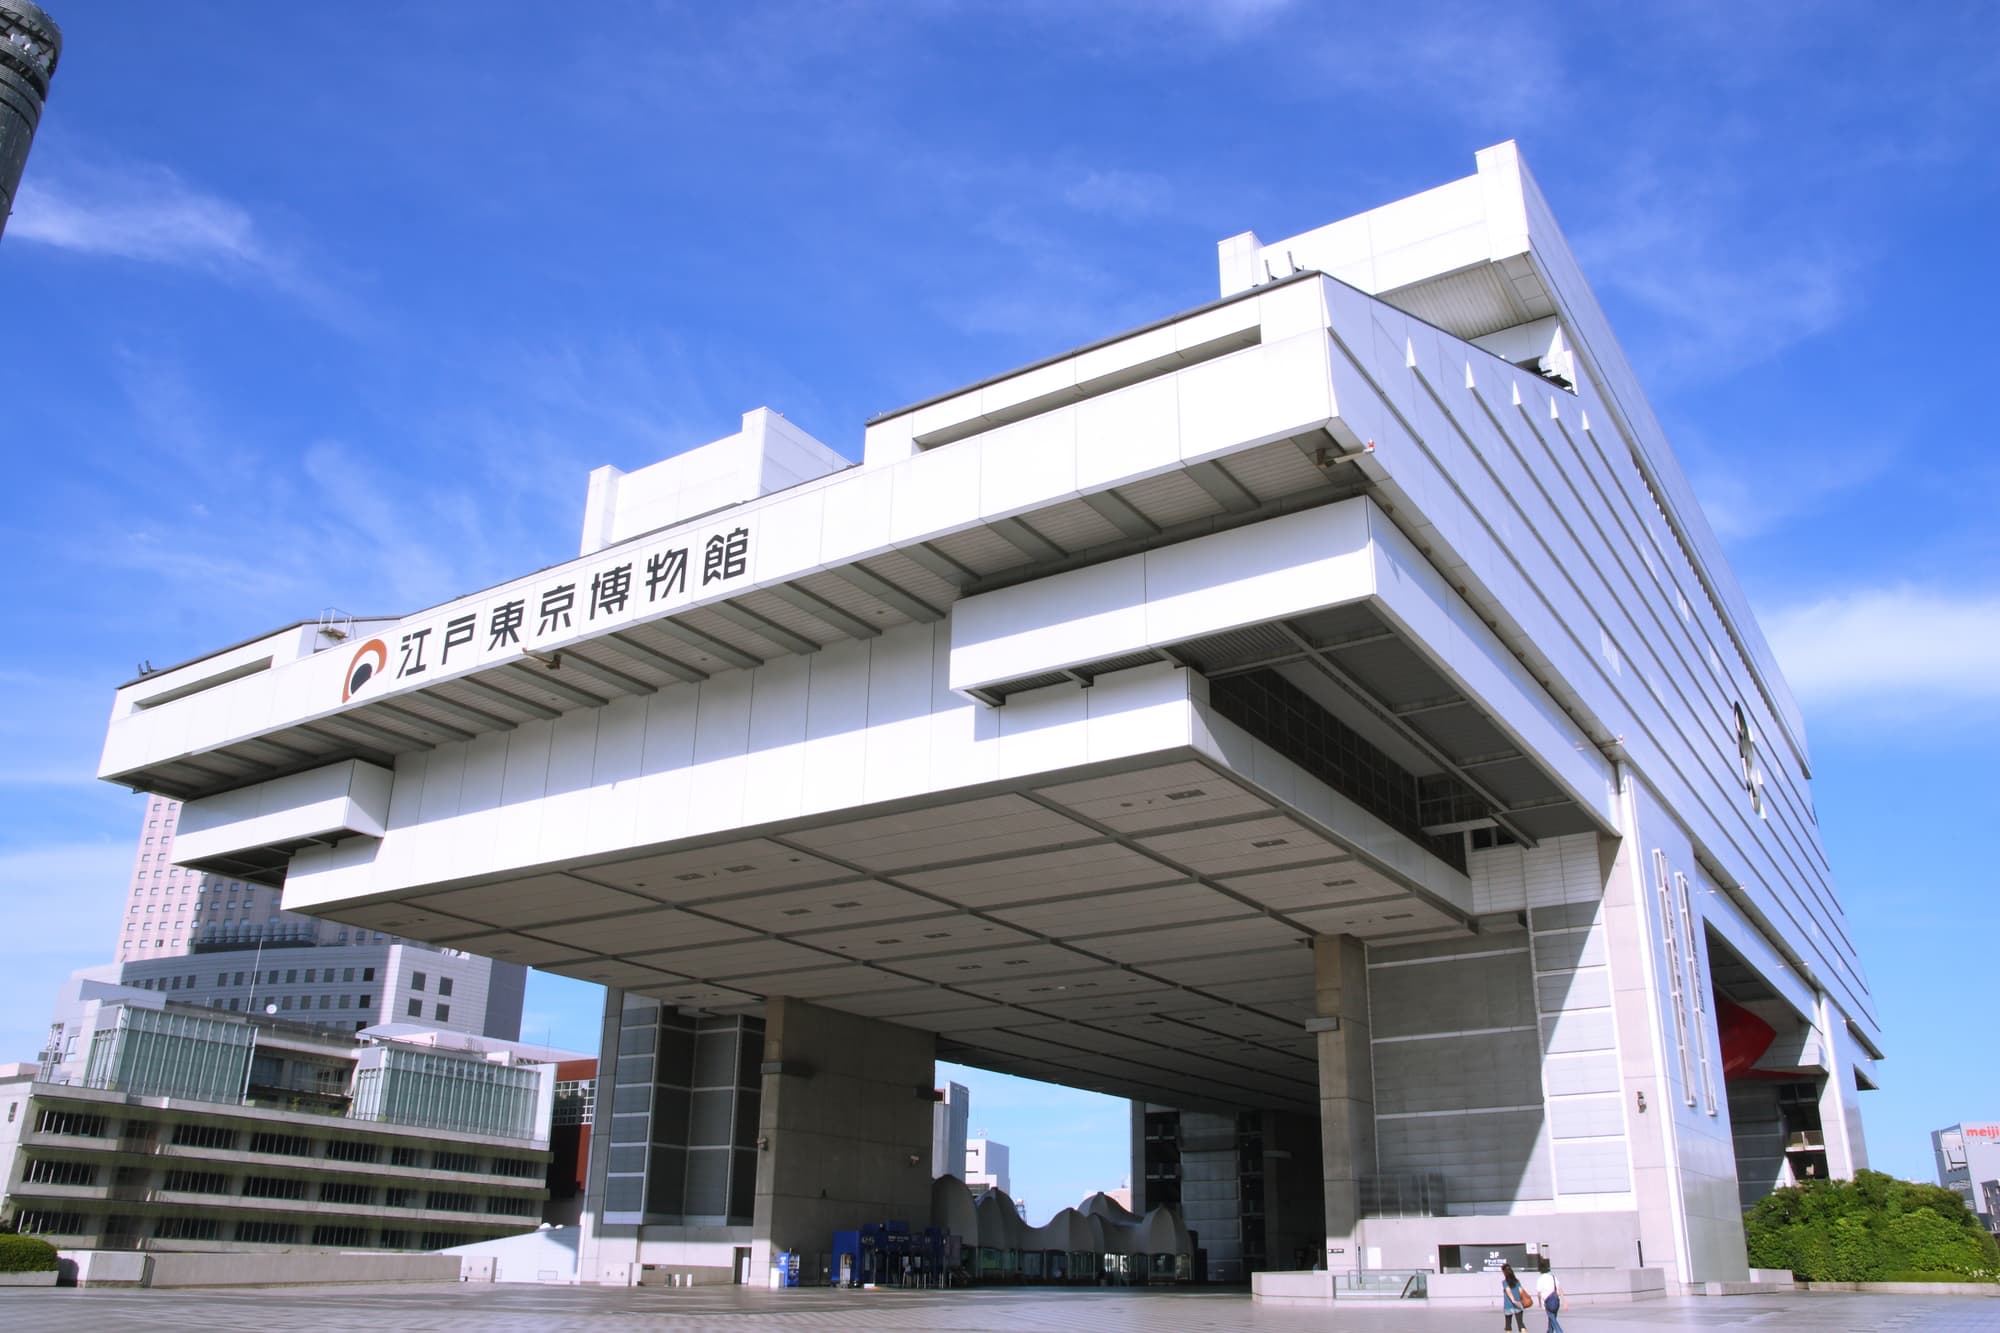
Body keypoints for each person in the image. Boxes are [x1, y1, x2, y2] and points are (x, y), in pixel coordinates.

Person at [1500, 1261, 1533, 1331]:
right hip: (1518, 1304)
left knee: (1508, 1324)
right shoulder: (1517, 1281)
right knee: (1520, 1323)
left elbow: (1508, 1290)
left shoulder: (1504, 1282)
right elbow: (1521, 1291)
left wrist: (1513, 1300)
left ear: (1504, 1272)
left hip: (1508, 1305)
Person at [1534, 1258, 1565, 1333]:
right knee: (1552, 1318)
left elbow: (1538, 1293)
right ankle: (1549, 1331)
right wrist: (1564, 1302)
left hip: (1548, 1302)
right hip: (1556, 1301)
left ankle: (1559, 1331)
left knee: (1553, 1319)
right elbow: (1560, 1289)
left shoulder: (1540, 1279)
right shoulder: (1553, 1277)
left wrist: (1540, 1303)